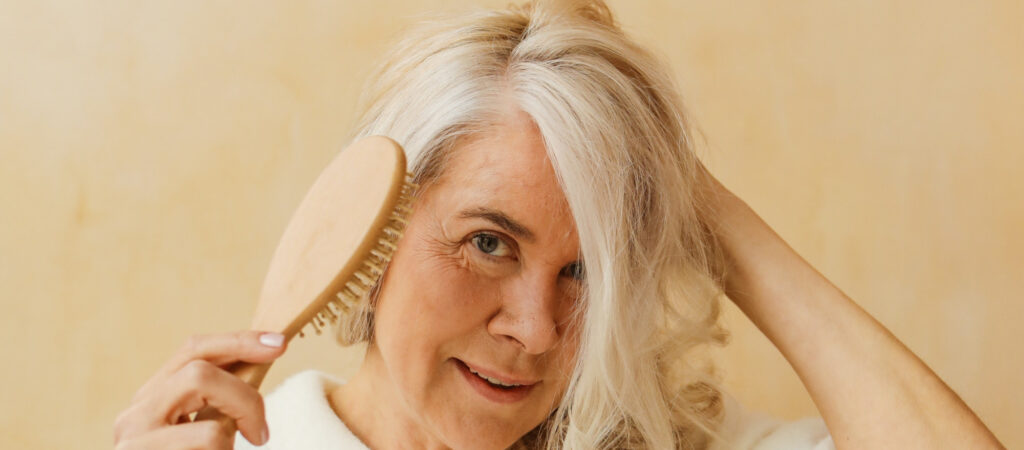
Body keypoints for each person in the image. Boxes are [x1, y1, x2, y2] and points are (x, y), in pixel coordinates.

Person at [112, 1, 1004, 449]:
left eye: (586, 272)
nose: (536, 331)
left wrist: (687, 195)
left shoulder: (675, 441)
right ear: (370, 235)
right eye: (488, 242)